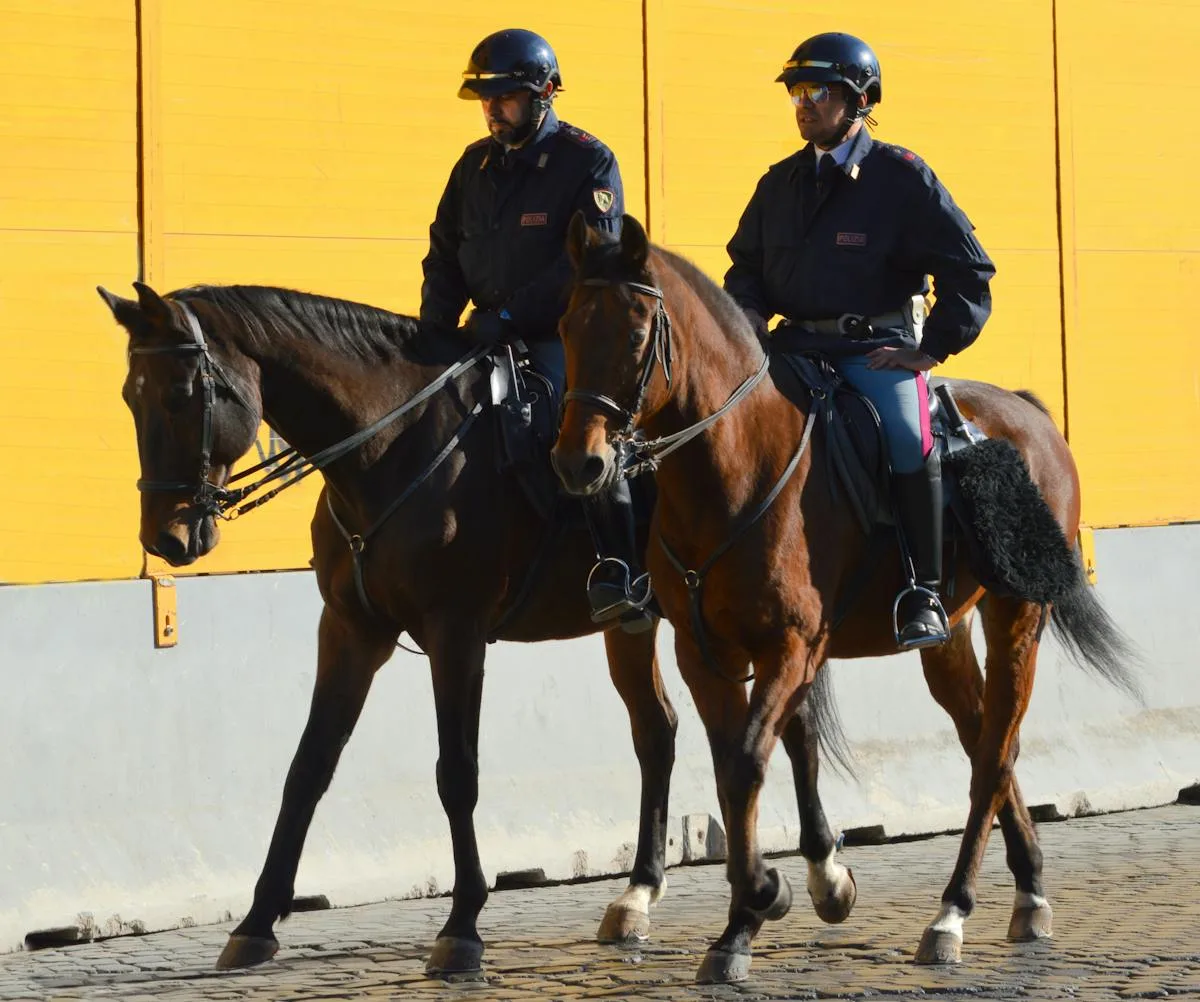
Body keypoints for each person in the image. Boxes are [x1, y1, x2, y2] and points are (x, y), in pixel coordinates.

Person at [723, 31, 996, 649]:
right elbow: (745, 268)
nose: (803, 102)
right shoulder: (778, 183)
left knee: (907, 439)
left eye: (818, 90)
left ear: (860, 98)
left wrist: (930, 350)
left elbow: (971, 271)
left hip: (875, 353)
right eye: (796, 90)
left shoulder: (902, 177)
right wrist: (746, 325)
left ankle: (923, 588)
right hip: (789, 351)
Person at [420, 28, 654, 633]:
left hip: (558, 336)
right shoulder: (473, 165)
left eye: (505, 97)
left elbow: (588, 260)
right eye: (485, 98)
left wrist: (509, 316)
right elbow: (444, 252)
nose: (493, 109)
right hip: (479, 335)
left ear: (545, 94)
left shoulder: (587, 161)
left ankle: (617, 566)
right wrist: (433, 329)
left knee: (579, 425)